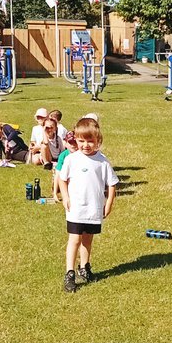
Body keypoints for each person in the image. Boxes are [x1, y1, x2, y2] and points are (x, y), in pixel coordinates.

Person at [57, 115, 118, 293]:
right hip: (76, 208)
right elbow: (62, 179)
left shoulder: (102, 161)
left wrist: (109, 204)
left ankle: (84, 267)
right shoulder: (71, 159)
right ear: (75, 139)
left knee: (87, 240)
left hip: (93, 209)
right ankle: (69, 273)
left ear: (97, 140)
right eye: (81, 140)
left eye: (90, 141)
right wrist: (66, 197)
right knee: (74, 239)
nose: (85, 145)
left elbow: (112, 183)